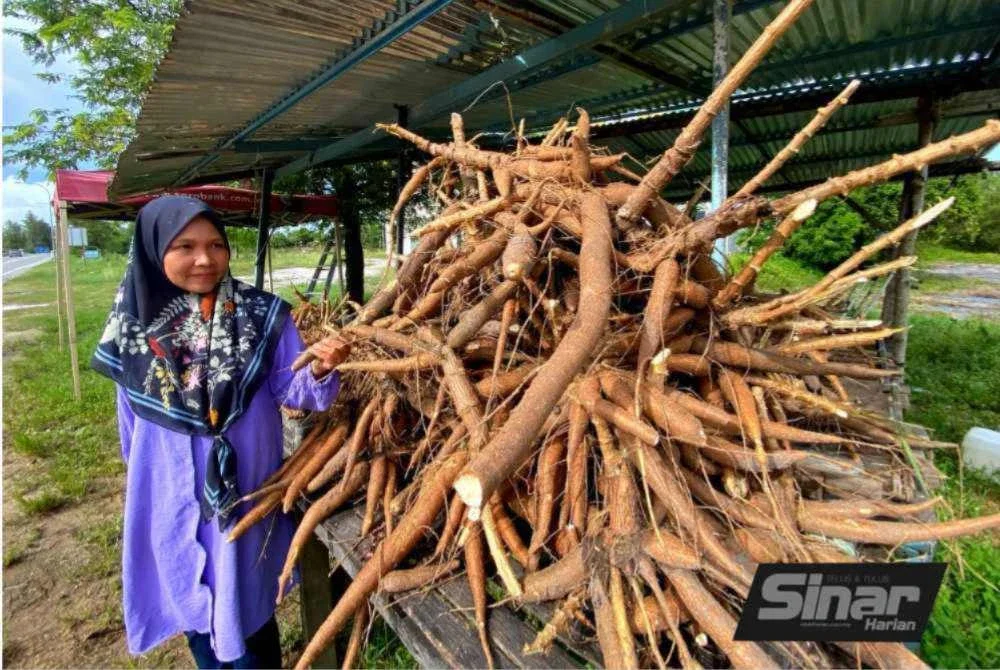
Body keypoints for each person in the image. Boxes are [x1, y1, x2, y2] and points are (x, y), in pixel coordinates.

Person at [91, 196, 349, 668]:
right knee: (192, 603)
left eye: (215, 245)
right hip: (169, 494)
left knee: (247, 611)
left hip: (244, 492)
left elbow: (293, 389)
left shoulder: (263, 315)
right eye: (184, 246)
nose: (204, 259)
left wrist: (320, 369)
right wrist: (152, 488)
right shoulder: (132, 329)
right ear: (152, 250)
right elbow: (131, 427)